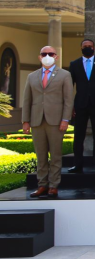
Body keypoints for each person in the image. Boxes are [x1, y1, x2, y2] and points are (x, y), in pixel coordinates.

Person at [22, 46, 73, 199]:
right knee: (41, 155)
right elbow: (27, 100)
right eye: (44, 54)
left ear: (56, 57)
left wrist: (65, 119)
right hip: (37, 120)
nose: (47, 56)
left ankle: (53, 186)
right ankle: (42, 185)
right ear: (39, 57)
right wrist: (26, 121)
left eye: (50, 54)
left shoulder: (64, 75)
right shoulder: (32, 76)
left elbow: (68, 100)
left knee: (55, 155)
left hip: (56, 121)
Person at [68, 38, 95, 173]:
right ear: (81, 48)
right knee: (78, 135)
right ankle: (77, 163)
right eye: (85, 46)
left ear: (94, 48)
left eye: (90, 46)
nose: (87, 48)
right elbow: (69, 87)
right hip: (80, 104)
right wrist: (70, 106)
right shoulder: (74, 64)